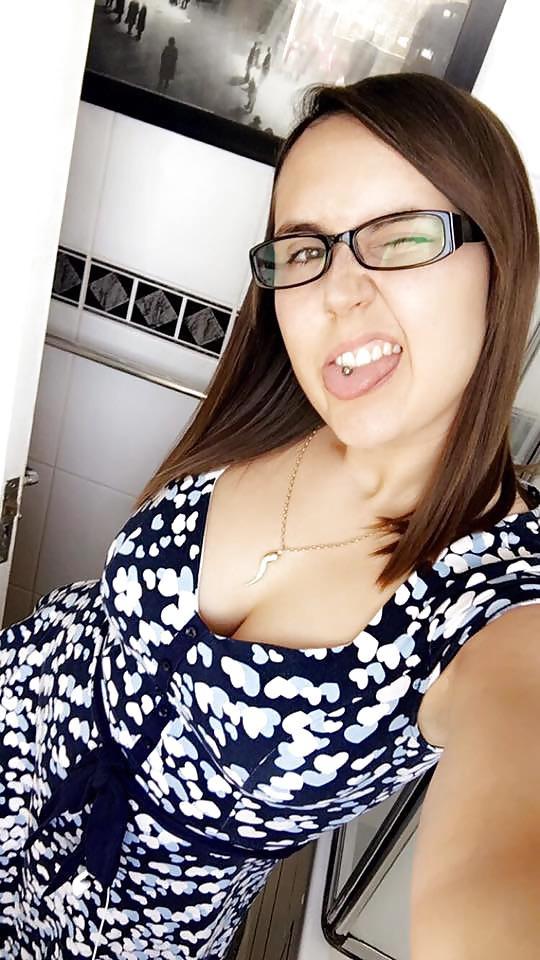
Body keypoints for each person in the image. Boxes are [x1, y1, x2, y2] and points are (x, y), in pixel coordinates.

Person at [2, 73, 540, 959]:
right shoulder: (275, 411)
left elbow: (504, 873)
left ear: (502, 258)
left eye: (401, 236)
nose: (337, 292)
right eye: (303, 251)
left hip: (122, 934)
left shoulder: (499, 611)